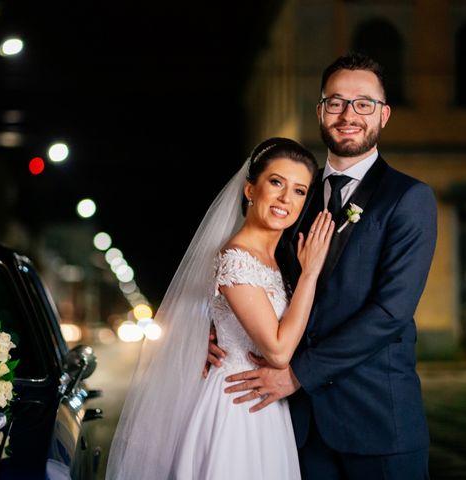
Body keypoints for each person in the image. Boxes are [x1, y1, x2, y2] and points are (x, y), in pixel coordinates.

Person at [210, 53, 437, 479]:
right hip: (296, 428)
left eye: (363, 103)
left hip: (377, 423)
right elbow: (251, 270)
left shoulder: (409, 199)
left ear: (383, 115)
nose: (349, 114)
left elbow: (391, 313)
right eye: (336, 102)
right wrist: (215, 329)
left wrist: (298, 374)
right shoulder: (295, 195)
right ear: (320, 111)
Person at [106, 137, 334, 479]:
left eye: (300, 190)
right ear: (250, 190)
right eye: (276, 182)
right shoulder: (235, 258)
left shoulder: (279, 259)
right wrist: (311, 273)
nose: (287, 198)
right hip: (236, 407)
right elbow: (277, 351)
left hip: (268, 407)